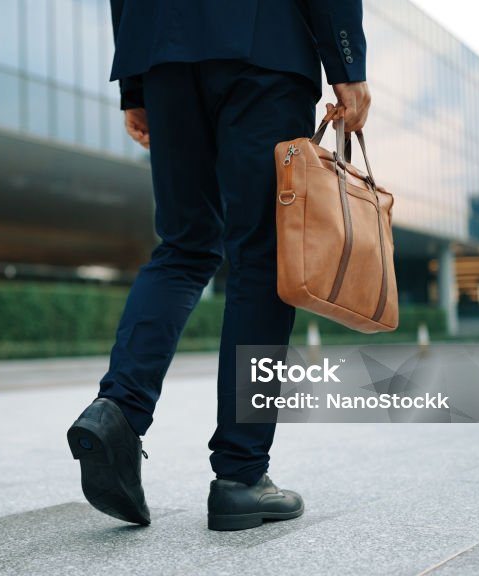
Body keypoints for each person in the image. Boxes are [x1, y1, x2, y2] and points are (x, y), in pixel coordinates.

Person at [67, 0, 372, 531]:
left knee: (184, 245)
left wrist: (136, 86)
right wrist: (348, 64)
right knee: (261, 257)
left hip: (165, 52)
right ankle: (241, 476)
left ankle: (117, 409)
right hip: (265, 47)